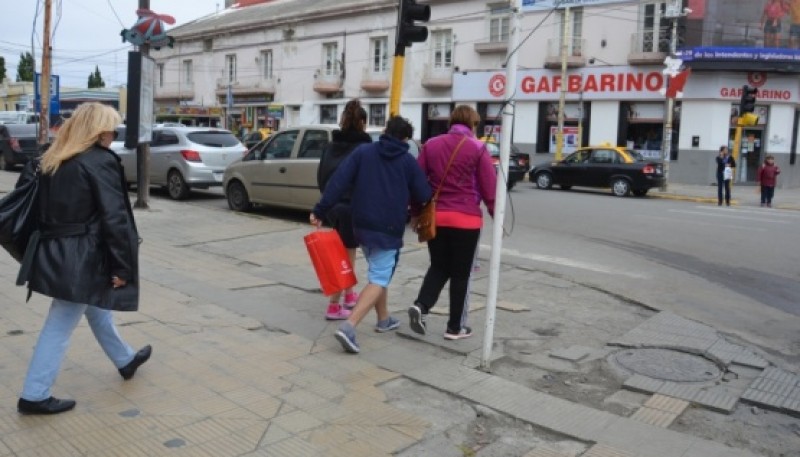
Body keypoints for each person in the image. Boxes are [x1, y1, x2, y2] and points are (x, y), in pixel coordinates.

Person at [15, 102, 151, 415]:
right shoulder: (98, 161)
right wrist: (122, 267)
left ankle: (125, 359)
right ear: (96, 129)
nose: (112, 133)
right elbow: (115, 218)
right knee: (61, 321)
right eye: (109, 127)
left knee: (96, 308)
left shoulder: (53, 157)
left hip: (56, 252)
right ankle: (34, 395)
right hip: (83, 257)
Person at [310, 116, 432, 354]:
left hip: (360, 225)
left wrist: (320, 210)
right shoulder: (407, 161)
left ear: (386, 131)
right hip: (387, 228)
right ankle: (349, 327)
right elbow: (423, 193)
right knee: (379, 277)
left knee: (379, 271)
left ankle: (384, 318)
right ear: (406, 138)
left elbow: (338, 181)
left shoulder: (363, 152)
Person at [408, 105, 497, 340]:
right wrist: (496, 214)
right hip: (466, 220)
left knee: (438, 266)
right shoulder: (478, 148)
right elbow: (489, 188)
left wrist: (416, 212)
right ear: (472, 124)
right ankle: (455, 327)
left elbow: (417, 183)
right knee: (460, 274)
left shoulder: (431, 145)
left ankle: (421, 305)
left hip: (436, 218)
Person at [316, 99, 372, 319]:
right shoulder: (365, 148)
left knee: (347, 251)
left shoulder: (330, 146)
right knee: (345, 256)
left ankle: (349, 295)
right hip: (352, 206)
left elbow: (321, 176)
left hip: (332, 206)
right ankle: (333, 305)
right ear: (362, 122)